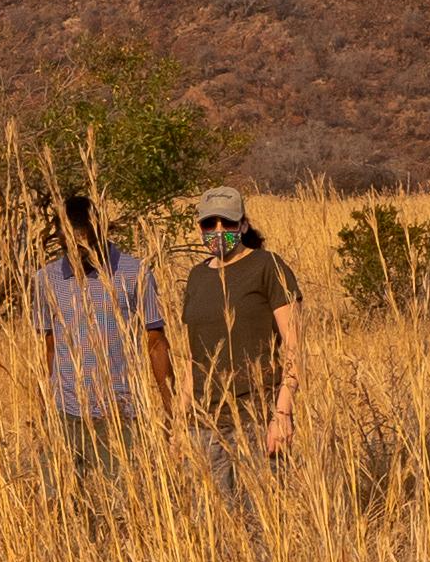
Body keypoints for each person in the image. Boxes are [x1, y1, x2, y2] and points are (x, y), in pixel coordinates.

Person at [28, 190, 170, 473]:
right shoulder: (46, 279)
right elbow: (49, 347)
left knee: (120, 504)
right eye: (72, 245)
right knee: (62, 503)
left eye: (87, 244)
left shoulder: (134, 272)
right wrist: (45, 412)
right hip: (65, 413)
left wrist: (169, 407)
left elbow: (155, 341)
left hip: (119, 413)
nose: (80, 254)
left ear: (100, 233)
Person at [175, 186, 304, 486]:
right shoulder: (197, 276)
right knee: (209, 522)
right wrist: (180, 425)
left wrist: (282, 413)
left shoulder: (267, 267)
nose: (218, 231)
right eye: (210, 223)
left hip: (255, 419)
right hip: (203, 424)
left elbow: (294, 348)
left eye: (228, 223)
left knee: (260, 520)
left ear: (243, 225)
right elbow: (193, 359)